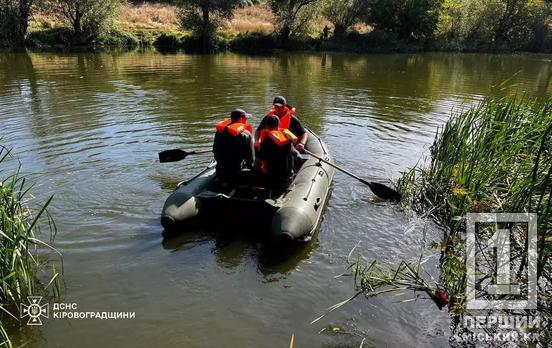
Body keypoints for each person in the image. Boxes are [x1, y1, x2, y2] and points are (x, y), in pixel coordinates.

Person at [212, 108, 254, 186]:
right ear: (241, 119)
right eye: (246, 118)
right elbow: (250, 160)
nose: (247, 120)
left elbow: (215, 153)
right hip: (237, 175)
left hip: (220, 173)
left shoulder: (219, 133)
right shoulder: (246, 135)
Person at [255, 115, 298, 189]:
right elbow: (295, 154)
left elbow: (258, 162)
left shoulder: (267, 140)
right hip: (287, 177)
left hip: (273, 178)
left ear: (266, 126)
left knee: (260, 166)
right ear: (278, 125)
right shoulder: (287, 138)